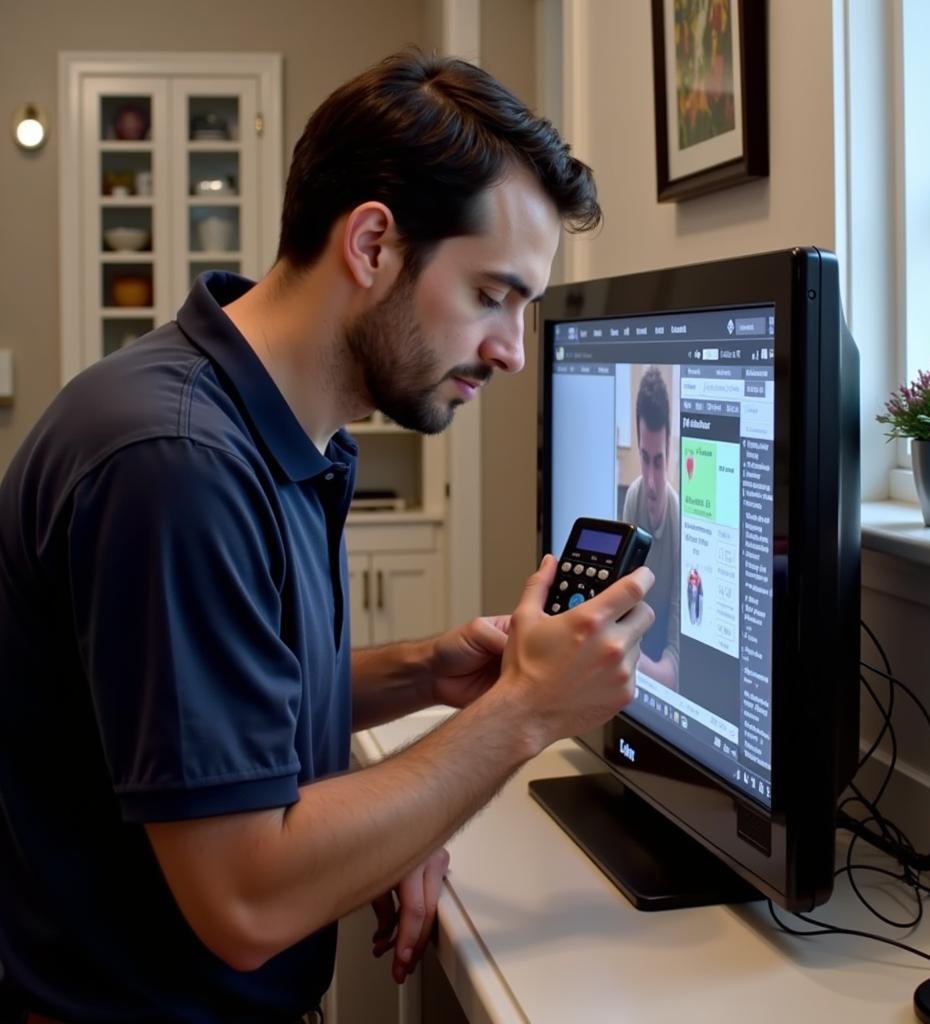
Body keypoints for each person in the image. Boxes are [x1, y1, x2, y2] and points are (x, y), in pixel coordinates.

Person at [0, 52, 654, 1023]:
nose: (513, 350)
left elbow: (201, 720)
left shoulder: (273, 430)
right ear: (374, 244)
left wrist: (425, 674)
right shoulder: (176, 465)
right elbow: (246, 895)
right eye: (491, 295)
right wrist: (522, 711)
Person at [620, 366, 680, 690]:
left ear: (670, 450)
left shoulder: (680, 522)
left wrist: (621, 651)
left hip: (649, 675)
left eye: (658, 460)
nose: (652, 483)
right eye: (645, 458)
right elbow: (621, 612)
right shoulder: (634, 497)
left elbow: (674, 670)